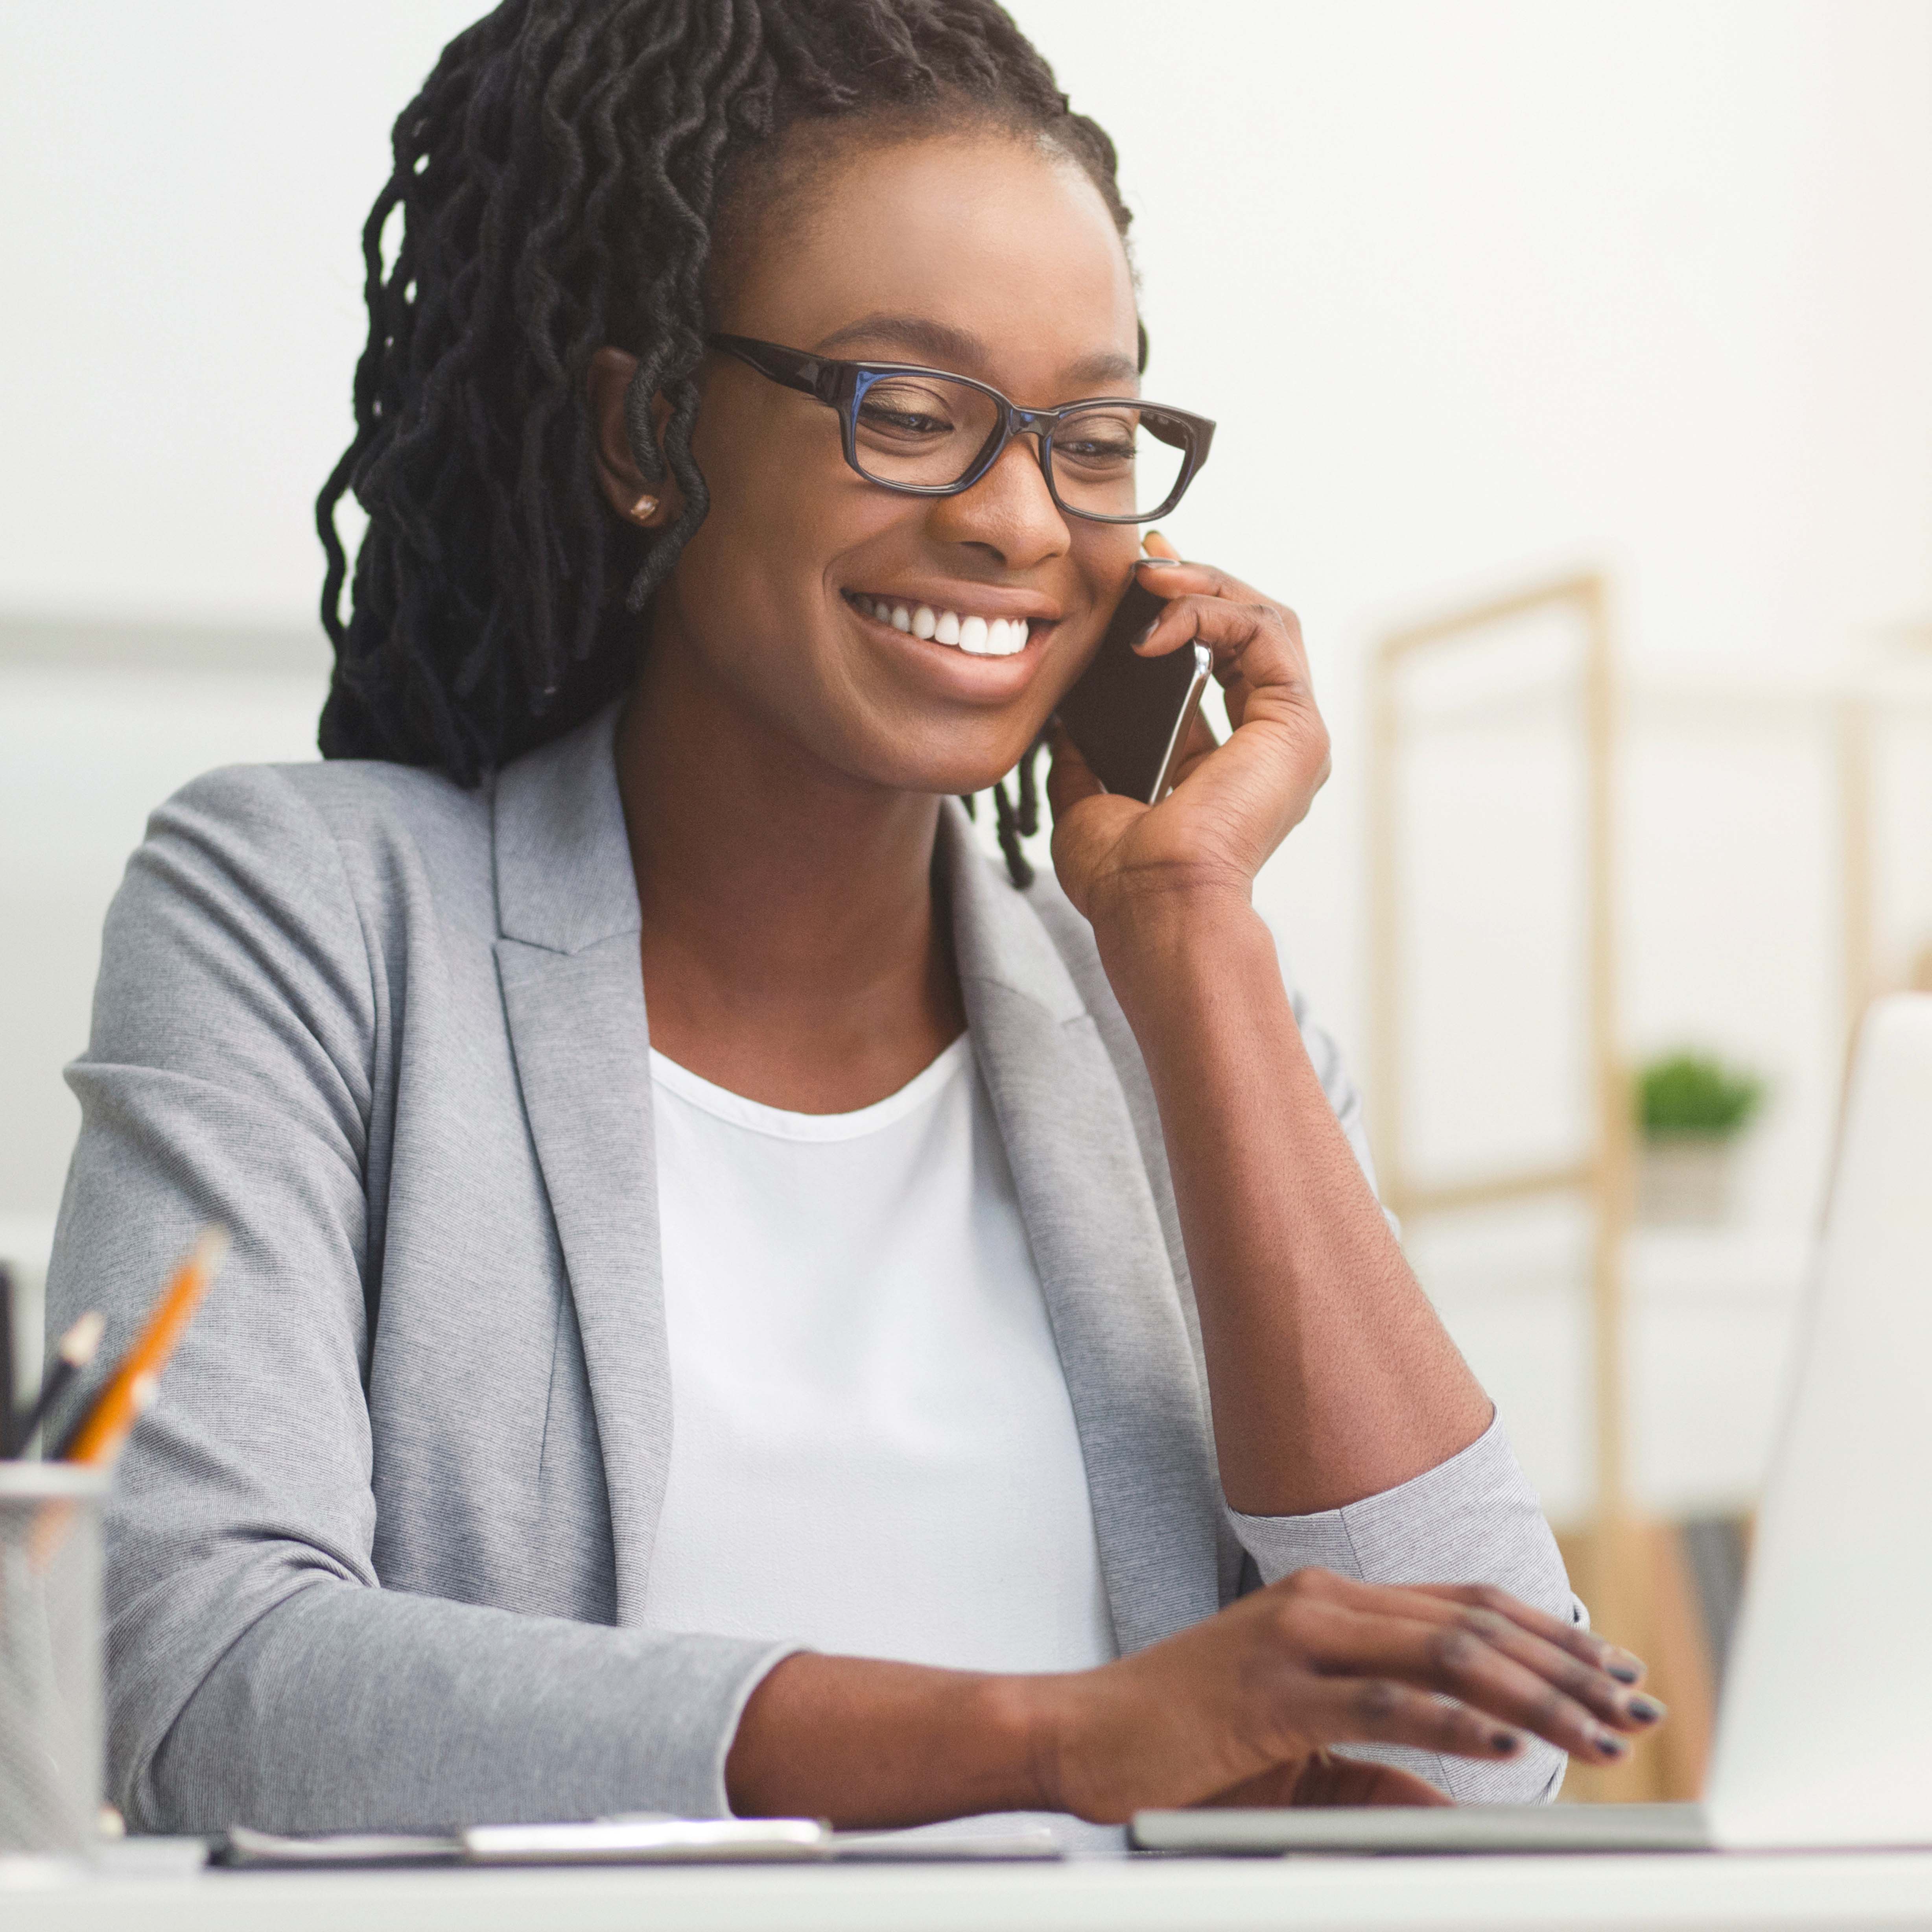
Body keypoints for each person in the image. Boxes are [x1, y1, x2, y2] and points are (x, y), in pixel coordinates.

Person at [47, 0, 1661, 1838]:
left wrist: (1192, 936)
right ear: (647, 427)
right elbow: (183, 1668)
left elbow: (1489, 1752)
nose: (1018, 519)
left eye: (1096, 432)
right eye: (909, 410)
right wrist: (1049, 1737)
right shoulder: (313, 916)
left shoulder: (1180, 1023)